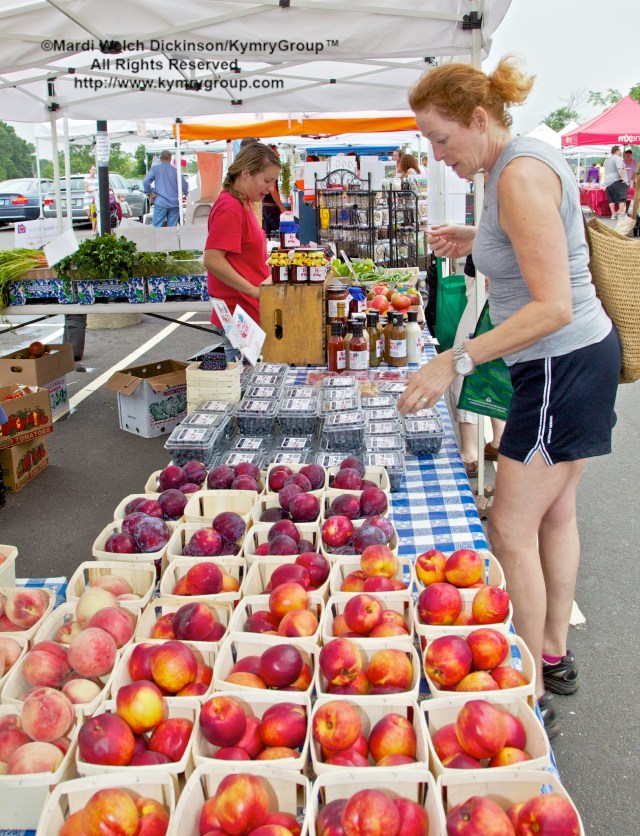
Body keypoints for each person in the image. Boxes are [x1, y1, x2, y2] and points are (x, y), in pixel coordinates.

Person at [398, 56, 621, 738]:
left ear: (478, 118)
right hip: (574, 362)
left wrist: (453, 360)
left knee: (509, 528)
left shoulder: (518, 175)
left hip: (561, 364)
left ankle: (526, 689)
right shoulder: (513, 165)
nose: (438, 155)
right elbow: (544, 249)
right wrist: (477, 238)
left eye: (441, 139)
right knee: (555, 515)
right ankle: (552, 655)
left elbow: (551, 305)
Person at [203, 142, 281, 361]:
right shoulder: (230, 207)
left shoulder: (242, 202)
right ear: (246, 173)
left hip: (245, 312)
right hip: (238, 313)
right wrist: (253, 290)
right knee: (246, 386)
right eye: (267, 181)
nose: (270, 189)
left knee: (250, 383)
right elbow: (212, 260)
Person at [451, 255, 505, 478]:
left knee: (463, 363)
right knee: (493, 361)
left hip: (491, 282)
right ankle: (500, 440)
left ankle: (470, 453)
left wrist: (503, 271)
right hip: (490, 277)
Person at [143, 150, 189, 227]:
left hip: (161, 202)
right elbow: (184, 186)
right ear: (170, 159)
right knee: (172, 229)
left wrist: (149, 193)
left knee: (157, 228)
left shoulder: (155, 169)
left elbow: (145, 181)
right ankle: (171, 239)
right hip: (174, 203)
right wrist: (186, 195)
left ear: (160, 159)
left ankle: (158, 239)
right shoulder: (176, 170)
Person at [262, 144, 286, 238]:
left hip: (266, 206)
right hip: (271, 207)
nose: (279, 155)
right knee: (280, 234)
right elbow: (273, 191)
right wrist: (281, 207)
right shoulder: (272, 168)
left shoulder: (265, 167)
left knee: (270, 235)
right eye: (277, 152)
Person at [603, 145, 628, 220]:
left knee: (611, 199)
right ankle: (622, 214)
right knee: (621, 197)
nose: (620, 152)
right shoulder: (618, 158)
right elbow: (619, 169)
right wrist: (623, 178)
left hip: (608, 181)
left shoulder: (606, 160)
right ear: (616, 151)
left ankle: (613, 214)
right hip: (617, 180)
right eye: (619, 150)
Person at [83, 165, 98, 233]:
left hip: (95, 198)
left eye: (95, 170)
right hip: (88, 198)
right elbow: (87, 189)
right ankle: (94, 228)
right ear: (89, 170)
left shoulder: (97, 178)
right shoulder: (86, 178)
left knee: (94, 214)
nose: (94, 171)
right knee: (90, 215)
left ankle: (94, 229)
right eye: (92, 170)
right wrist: (94, 189)